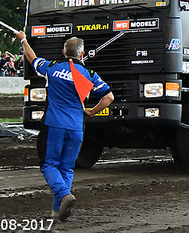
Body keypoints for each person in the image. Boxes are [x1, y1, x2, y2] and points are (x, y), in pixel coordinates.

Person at [14, 30, 114, 220]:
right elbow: (109, 97)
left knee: (49, 164)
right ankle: (57, 210)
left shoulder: (51, 67)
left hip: (54, 125)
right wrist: (92, 112)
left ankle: (63, 194)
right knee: (67, 168)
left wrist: (24, 40)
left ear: (63, 52)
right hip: (76, 128)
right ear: (82, 54)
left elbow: (31, 57)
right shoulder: (89, 74)